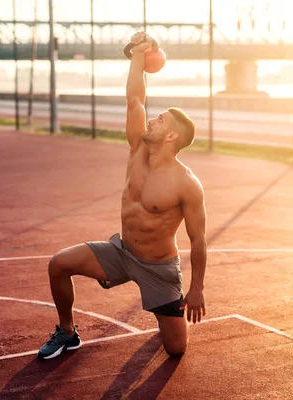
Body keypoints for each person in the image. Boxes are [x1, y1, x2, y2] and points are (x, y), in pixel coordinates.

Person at [38, 31, 207, 360]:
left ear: (172, 135)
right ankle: (67, 332)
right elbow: (135, 99)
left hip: (158, 268)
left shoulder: (186, 183)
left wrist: (197, 287)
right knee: (58, 264)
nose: (151, 120)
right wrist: (139, 56)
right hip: (121, 252)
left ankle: (165, 318)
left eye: (160, 121)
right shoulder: (137, 151)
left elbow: (198, 239)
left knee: (175, 350)